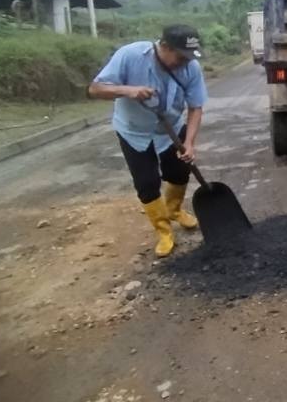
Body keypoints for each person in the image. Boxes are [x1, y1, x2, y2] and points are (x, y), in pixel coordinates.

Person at [88, 24, 208, 257]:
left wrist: (190, 143)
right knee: (146, 182)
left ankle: (174, 210)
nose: (185, 62)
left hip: (171, 128)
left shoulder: (191, 67)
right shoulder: (130, 55)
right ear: (164, 46)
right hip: (133, 131)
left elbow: (196, 107)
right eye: (181, 56)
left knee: (179, 172)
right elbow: (95, 89)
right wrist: (127, 90)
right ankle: (163, 231)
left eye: (189, 57)